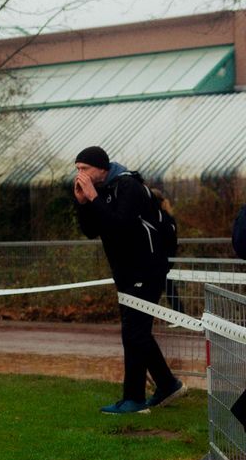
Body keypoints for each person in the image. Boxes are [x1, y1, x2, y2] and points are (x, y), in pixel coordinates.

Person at [73, 146, 183, 413]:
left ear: (102, 168)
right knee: (135, 331)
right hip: (125, 272)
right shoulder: (101, 191)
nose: (80, 174)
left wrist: (94, 198)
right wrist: (83, 203)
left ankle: (134, 398)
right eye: (77, 169)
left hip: (146, 269)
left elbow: (119, 225)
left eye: (84, 169)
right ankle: (167, 385)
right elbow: (91, 231)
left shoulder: (128, 186)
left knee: (134, 332)